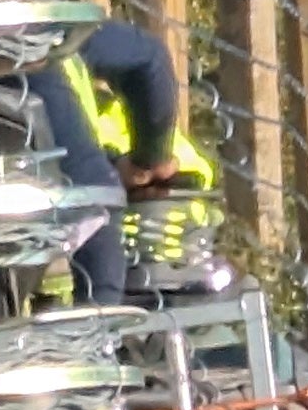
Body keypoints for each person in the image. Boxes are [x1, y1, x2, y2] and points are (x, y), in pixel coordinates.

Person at [27, 19, 219, 303]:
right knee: (94, 201)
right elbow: (150, 59)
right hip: (115, 242)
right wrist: (148, 159)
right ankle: (100, 336)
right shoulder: (37, 25)